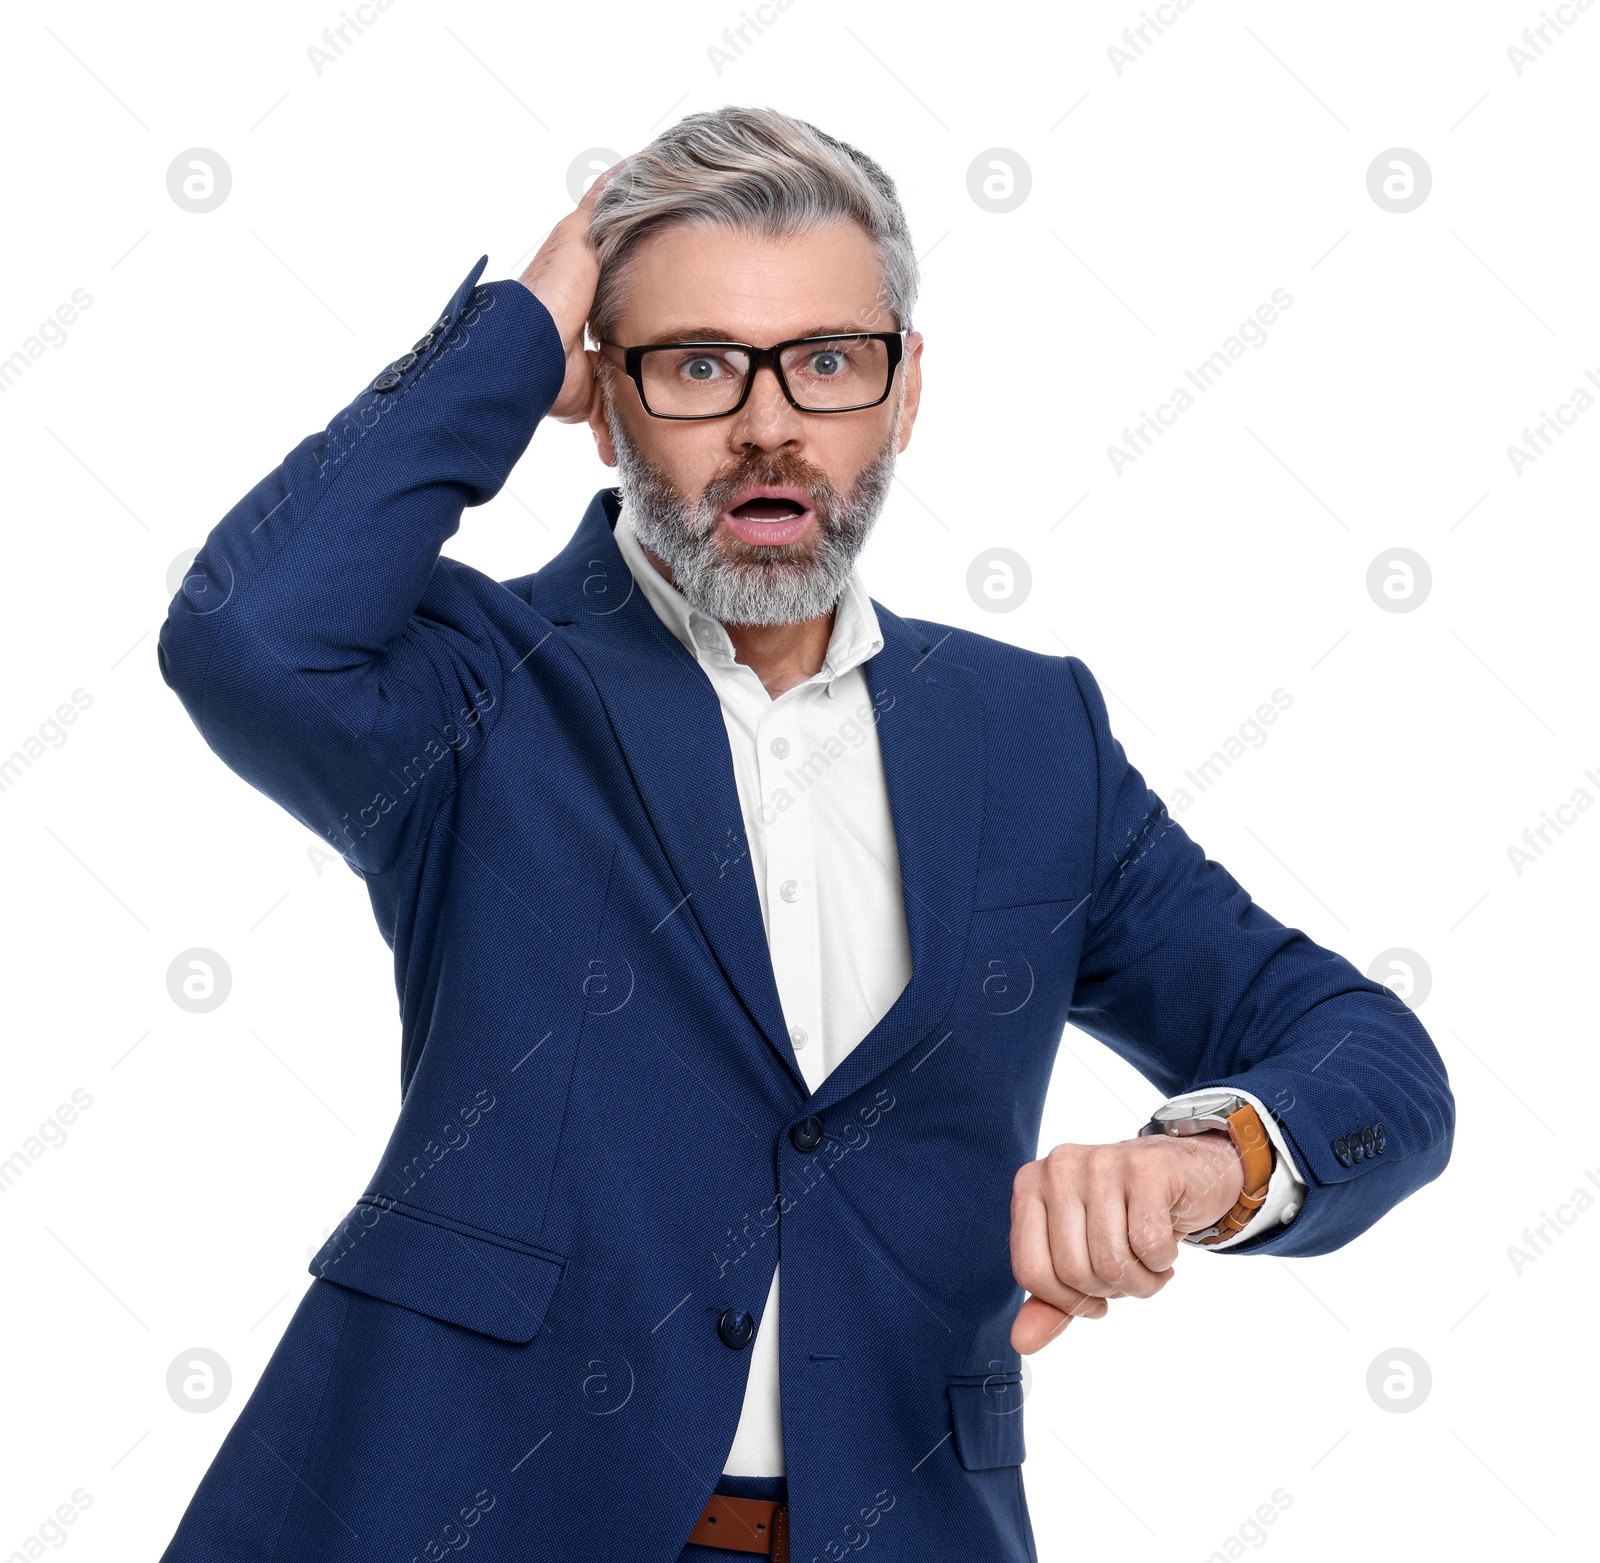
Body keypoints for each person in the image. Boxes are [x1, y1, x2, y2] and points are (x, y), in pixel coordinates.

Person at [155, 105, 1454, 1563]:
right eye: (700, 364)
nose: (771, 425)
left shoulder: (1032, 741)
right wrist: (515, 335)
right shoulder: (479, 687)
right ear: (604, 392)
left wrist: (1205, 1161)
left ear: (903, 397)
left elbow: (1369, 1057)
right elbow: (249, 639)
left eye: (828, 363)